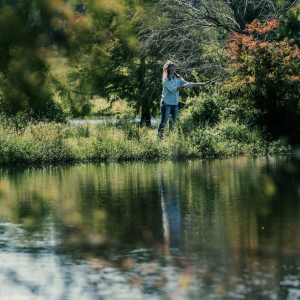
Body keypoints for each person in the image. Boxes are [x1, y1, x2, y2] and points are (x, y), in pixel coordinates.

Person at [157, 61, 207, 138]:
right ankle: (159, 138)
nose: (175, 66)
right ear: (169, 67)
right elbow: (173, 89)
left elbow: (189, 84)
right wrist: (184, 86)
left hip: (175, 103)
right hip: (166, 103)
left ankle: (171, 138)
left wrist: (201, 84)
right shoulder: (166, 79)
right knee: (163, 122)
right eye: (173, 65)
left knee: (173, 123)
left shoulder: (177, 79)